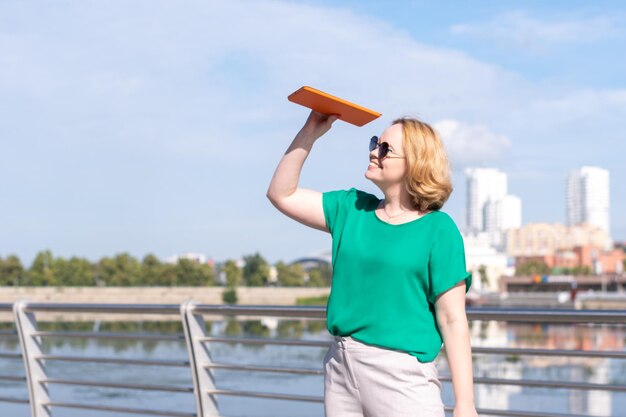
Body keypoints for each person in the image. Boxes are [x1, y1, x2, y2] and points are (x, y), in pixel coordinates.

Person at [267, 111, 477, 417]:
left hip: (402, 379)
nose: (373, 152)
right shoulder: (351, 209)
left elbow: (453, 320)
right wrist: (310, 131)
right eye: (375, 143)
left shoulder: (439, 230)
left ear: (415, 163)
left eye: (385, 149)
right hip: (341, 366)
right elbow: (280, 194)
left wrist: (465, 404)